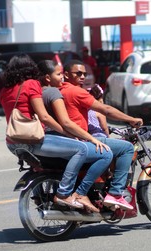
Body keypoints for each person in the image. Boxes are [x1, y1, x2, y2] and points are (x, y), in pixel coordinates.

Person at [0, 54, 94, 210]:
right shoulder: (31, 84)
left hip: (12, 143)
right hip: (32, 140)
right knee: (81, 149)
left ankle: (39, 194)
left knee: (38, 165)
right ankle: (64, 193)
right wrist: (67, 133)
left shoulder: (4, 90)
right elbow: (44, 117)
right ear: (30, 68)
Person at [60, 59, 144, 211]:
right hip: (82, 139)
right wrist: (131, 119)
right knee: (126, 148)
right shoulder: (77, 91)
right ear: (66, 74)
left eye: (84, 74)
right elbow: (105, 110)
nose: (82, 77)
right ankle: (115, 193)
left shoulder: (59, 91)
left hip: (66, 140)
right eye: (78, 73)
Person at [37, 59, 112, 213]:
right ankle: (81, 194)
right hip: (59, 138)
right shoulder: (55, 92)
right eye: (58, 74)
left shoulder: (36, 93)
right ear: (47, 77)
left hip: (45, 140)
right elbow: (66, 122)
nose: (61, 78)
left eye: (84, 73)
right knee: (105, 153)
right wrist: (88, 138)